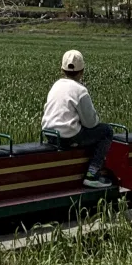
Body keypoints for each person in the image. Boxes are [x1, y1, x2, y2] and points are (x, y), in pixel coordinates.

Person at [41, 50, 113, 188]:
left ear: (62, 70)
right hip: (68, 137)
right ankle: (92, 174)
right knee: (106, 131)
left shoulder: (56, 85)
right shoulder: (80, 91)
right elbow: (91, 123)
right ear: (82, 71)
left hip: (49, 134)